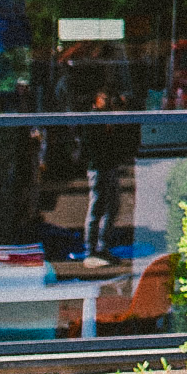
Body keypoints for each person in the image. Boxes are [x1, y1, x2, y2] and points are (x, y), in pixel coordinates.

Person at [77, 87, 139, 268]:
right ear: (96, 101)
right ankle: (90, 250)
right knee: (96, 208)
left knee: (112, 206)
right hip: (98, 168)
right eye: (104, 99)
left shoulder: (109, 118)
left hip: (109, 166)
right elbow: (93, 144)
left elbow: (119, 141)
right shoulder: (94, 119)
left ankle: (102, 247)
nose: (107, 102)